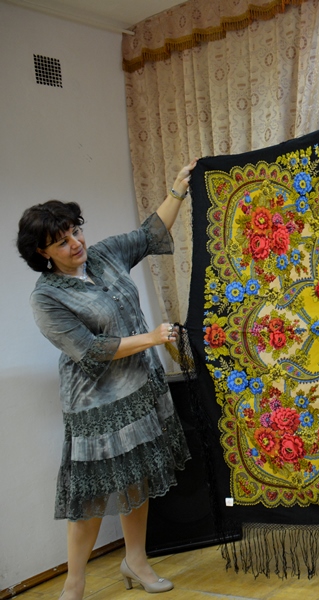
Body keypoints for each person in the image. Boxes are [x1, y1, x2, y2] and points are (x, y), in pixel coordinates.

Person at [16, 159, 197, 600]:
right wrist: (151, 338)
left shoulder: (105, 254)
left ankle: (136, 561)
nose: (76, 243)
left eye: (75, 231)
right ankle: (74, 582)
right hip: (95, 403)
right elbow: (91, 349)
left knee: (137, 479)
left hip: (139, 387)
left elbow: (150, 233)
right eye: (62, 241)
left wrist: (177, 189)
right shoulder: (46, 298)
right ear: (42, 253)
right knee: (92, 496)